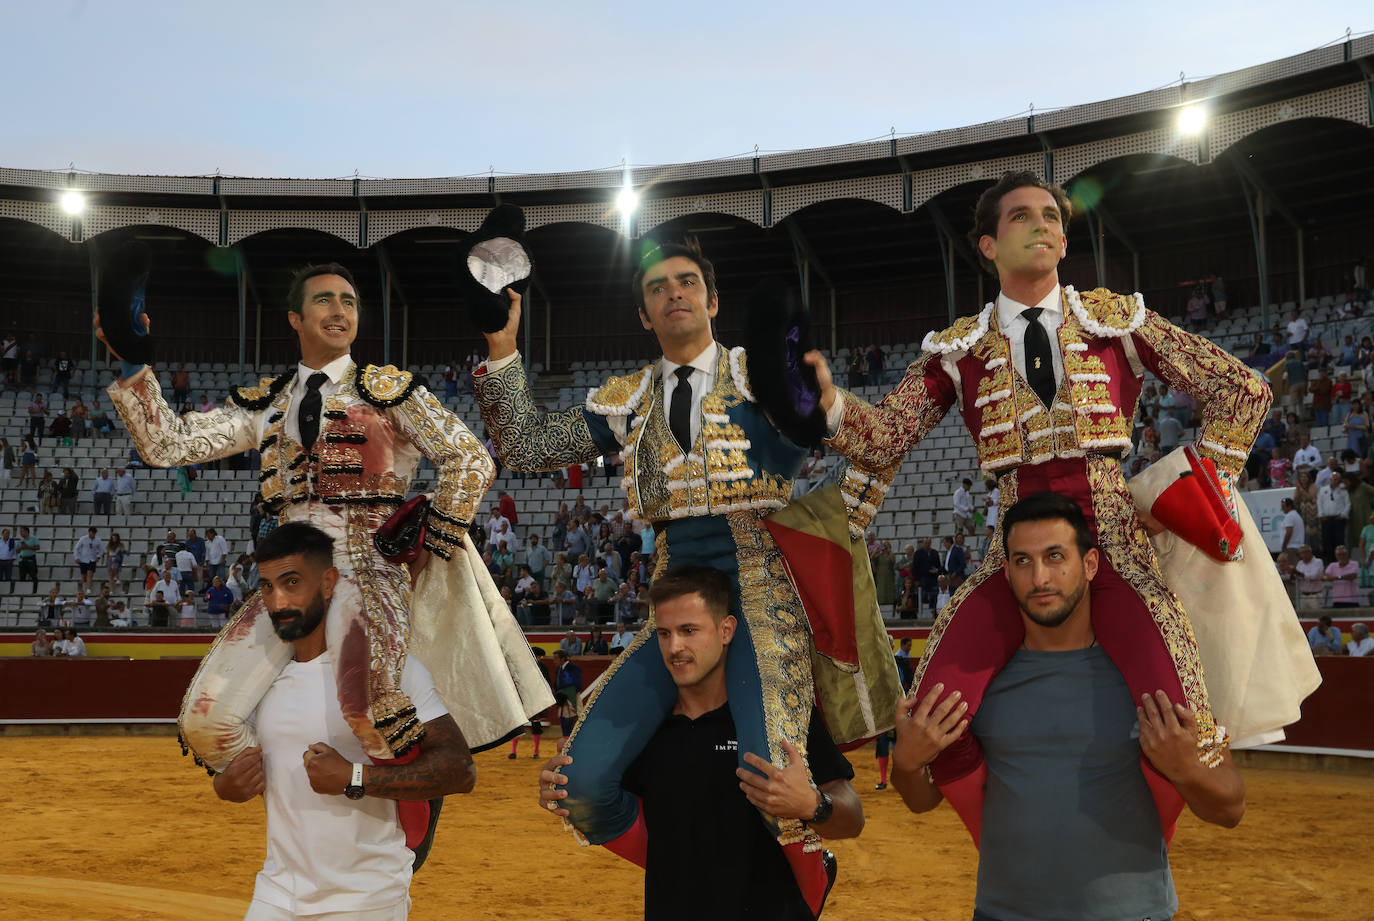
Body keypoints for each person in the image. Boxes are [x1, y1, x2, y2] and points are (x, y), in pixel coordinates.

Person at [811, 171, 1268, 817]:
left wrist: (1192, 496)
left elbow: (1243, 391)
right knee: (932, 717)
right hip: (1015, 554)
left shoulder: (1117, 320)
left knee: (1189, 738)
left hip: (1114, 548)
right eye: (1023, 215)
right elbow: (885, 436)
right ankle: (1013, 837)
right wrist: (824, 401)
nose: (1044, 224)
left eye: (1052, 215)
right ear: (988, 245)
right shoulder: (958, 349)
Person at [473, 232, 895, 894]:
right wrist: (502, 348)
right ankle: (692, 863)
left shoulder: (766, 377)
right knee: (581, 785)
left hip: (762, 600)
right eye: (657, 287)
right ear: (644, 314)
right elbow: (525, 445)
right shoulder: (629, 398)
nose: (674, 293)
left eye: (687, 282)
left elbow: (882, 443)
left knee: (771, 781)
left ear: (713, 300)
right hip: (673, 603)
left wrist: (832, 405)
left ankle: (808, 874)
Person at [101, 261, 548, 773]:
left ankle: (404, 817)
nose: (339, 311)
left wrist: (430, 543)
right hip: (290, 574)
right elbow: (167, 444)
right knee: (208, 720)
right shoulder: (265, 404)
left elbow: (470, 458)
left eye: (349, 302)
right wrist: (134, 364)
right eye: (325, 300)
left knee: (372, 711)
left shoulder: (392, 391)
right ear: (295, 318)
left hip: (368, 567)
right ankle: (300, 804)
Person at [891, 492, 1243, 921]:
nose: (1040, 577)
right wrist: (906, 766)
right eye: (1022, 561)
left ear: (1091, 564)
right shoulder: (979, 685)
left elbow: (1230, 808)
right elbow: (921, 801)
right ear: (1006, 572)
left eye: (1055, 556)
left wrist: (1187, 769)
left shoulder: (1149, 677)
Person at [538, 567, 864, 920]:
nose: (675, 647)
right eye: (664, 634)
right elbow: (609, 805)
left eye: (689, 631)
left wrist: (814, 805)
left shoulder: (776, 716)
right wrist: (559, 788)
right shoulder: (643, 734)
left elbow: (853, 818)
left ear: (726, 630)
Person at [210, 522, 475, 920]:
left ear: (329, 582)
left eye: (292, 582)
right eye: (266, 587)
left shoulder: (390, 673)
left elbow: (460, 770)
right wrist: (226, 787)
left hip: (367, 899)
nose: (278, 601)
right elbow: (238, 776)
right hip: (276, 893)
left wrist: (356, 779)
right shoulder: (257, 683)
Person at [551, 648, 583, 739]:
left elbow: (578, 685)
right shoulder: (559, 669)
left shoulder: (573, 668)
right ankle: (566, 742)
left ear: (562, 659)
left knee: (575, 721)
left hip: (572, 698)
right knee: (564, 722)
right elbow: (557, 684)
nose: (554, 661)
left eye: (556, 658)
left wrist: (565, 693)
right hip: (563, 700)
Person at [17, 526, 39, 593]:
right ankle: (23, 591)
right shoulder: (20, 540)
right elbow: (17, 551)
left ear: (27, 531)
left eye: (22, 531)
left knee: (33, 575)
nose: (21, 533)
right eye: (20, 532)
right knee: (22, 576)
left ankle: (35, 591)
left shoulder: (34, 538)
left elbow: (38, 547)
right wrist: (21, 548)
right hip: (22, 560)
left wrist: (28, 547)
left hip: (31, 559)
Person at [0, 528, 16, 592]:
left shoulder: (12, 541)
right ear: (2, 534)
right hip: (0, 561)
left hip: (8, 562)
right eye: (6, 533)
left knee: (8, 577)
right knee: (0, 577)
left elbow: (14, 552)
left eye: (8, 533)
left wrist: (12, 559)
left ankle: (8, 591)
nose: (7, 534)